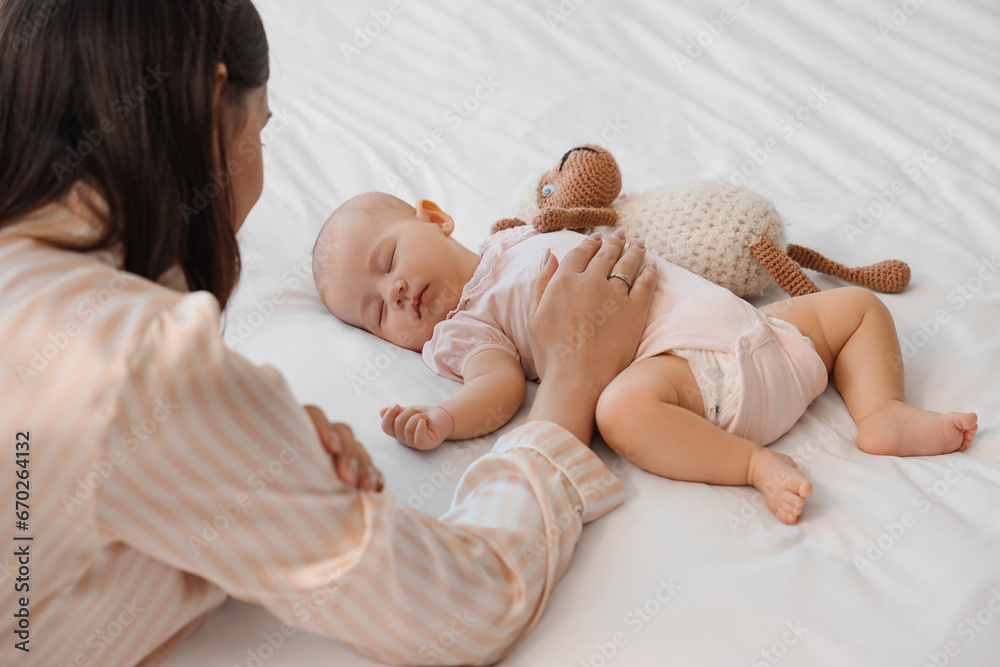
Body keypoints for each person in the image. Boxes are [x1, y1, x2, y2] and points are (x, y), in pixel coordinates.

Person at [0, 1, 658, 665]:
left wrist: (241, 465)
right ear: (211, 112)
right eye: (262, 128)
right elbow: (467, 605)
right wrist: (571, 378)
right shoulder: (137, 363)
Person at [312, 192, 980, 526]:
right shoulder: (460, 330)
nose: (393, 292)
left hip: (759, 333)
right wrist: (446, 417)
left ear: (435, 217)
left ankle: (882, 411)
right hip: (688, 378)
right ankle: (749, 462)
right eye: (375, 312)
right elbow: (501, 385)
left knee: (856, 308)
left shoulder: (514, 234)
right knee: (621, 408)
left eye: (387, 261)